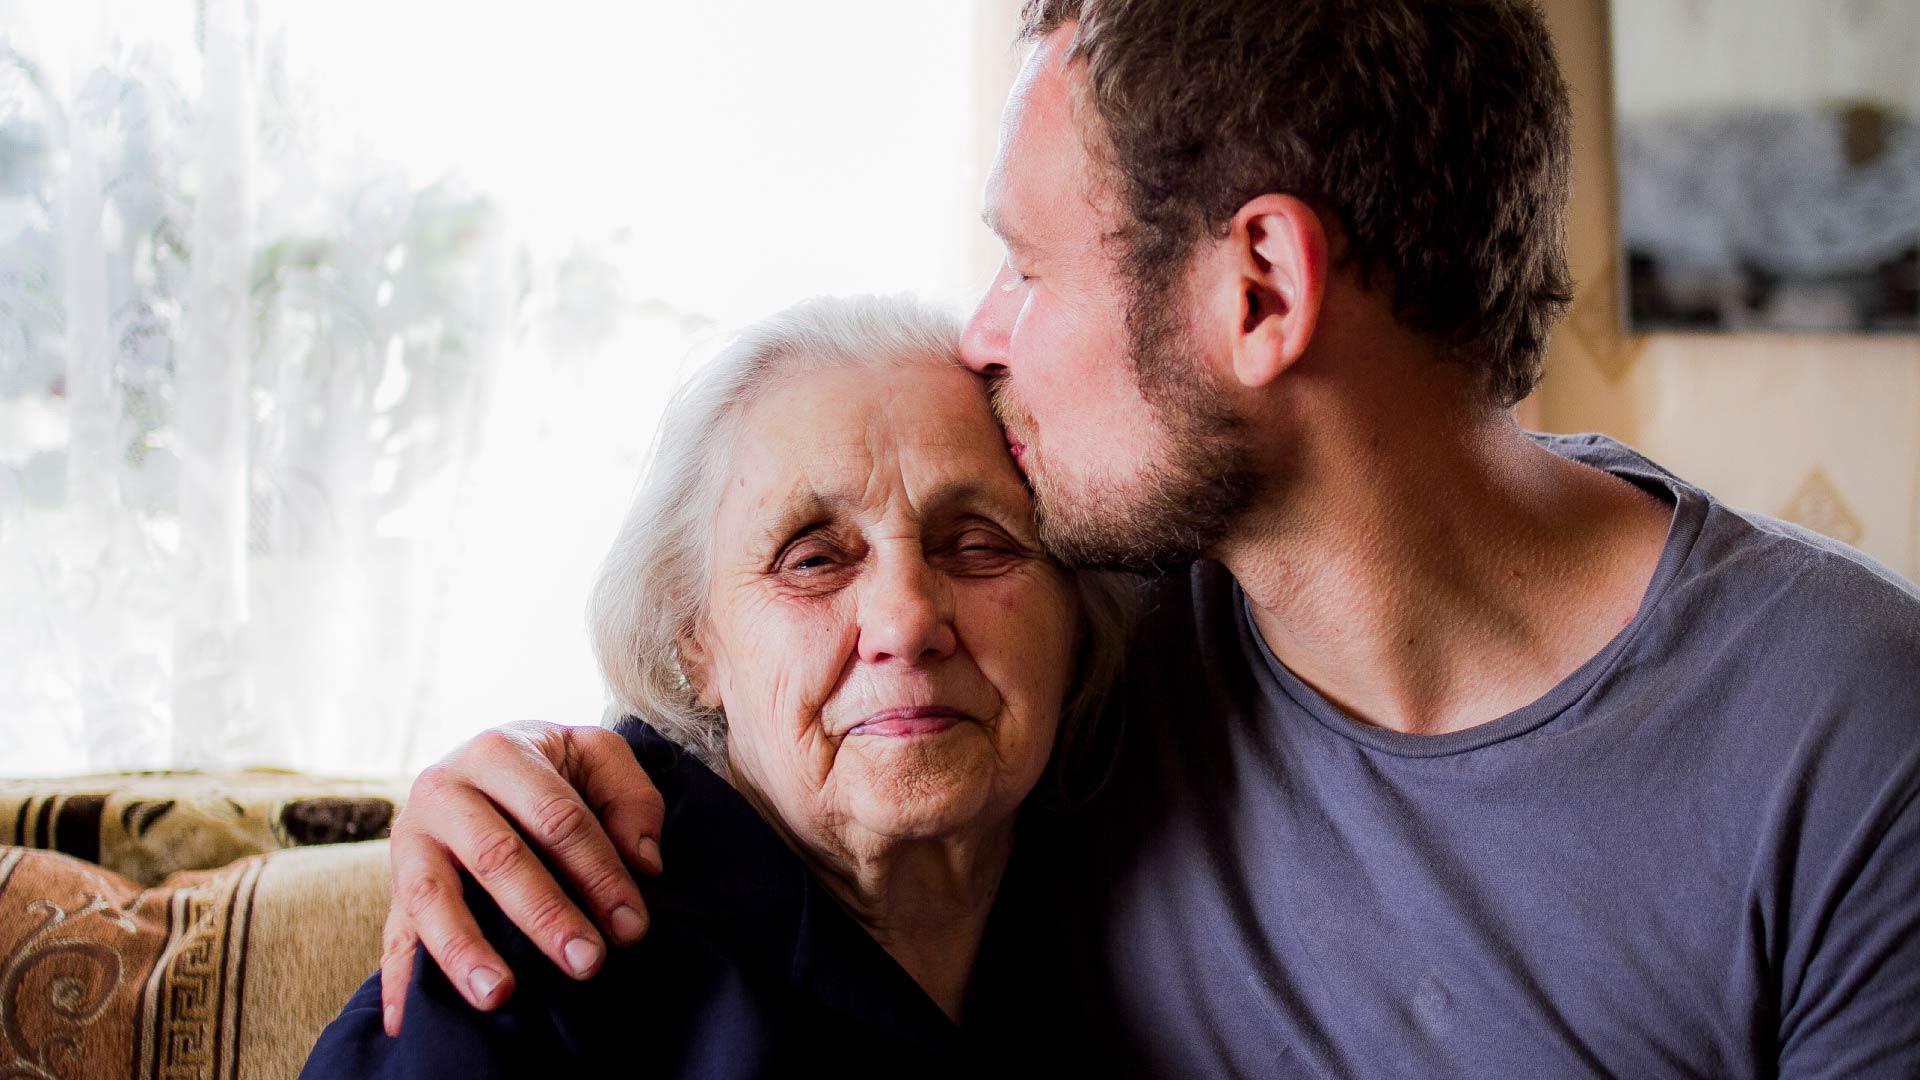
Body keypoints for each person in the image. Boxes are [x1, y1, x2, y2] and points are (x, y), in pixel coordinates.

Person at [382, 1, 1920, 1075]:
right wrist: (515, 787)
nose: (984, 340)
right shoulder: (1085, 643)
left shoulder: (1851, 737)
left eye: (1028, 268)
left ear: (1259, 289)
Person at [301, 296, 1130, 1076]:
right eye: (812, 558)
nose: (906, 620)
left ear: (1076, 611)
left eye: (979, 543)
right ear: (693, 640)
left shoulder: (1155, 887)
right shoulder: (540, 944)